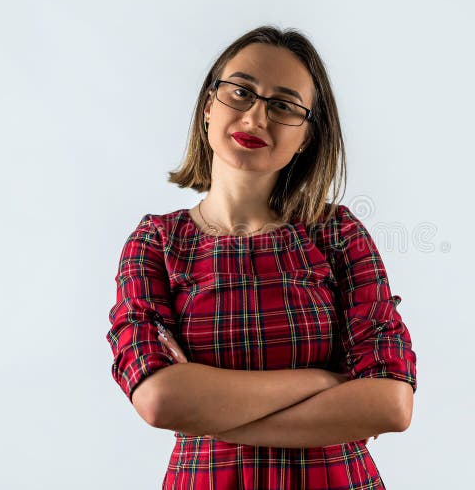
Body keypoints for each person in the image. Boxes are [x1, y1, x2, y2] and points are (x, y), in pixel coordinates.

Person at [106, 25, 418, 489]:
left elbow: (390, 405)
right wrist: (325, 381)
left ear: (307, 136)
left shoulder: (338, 233)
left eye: (283, 106)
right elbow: (159, 401)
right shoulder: (156, 242)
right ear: (209, 106)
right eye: (241, 92)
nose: (255, 119)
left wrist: (206, 410)